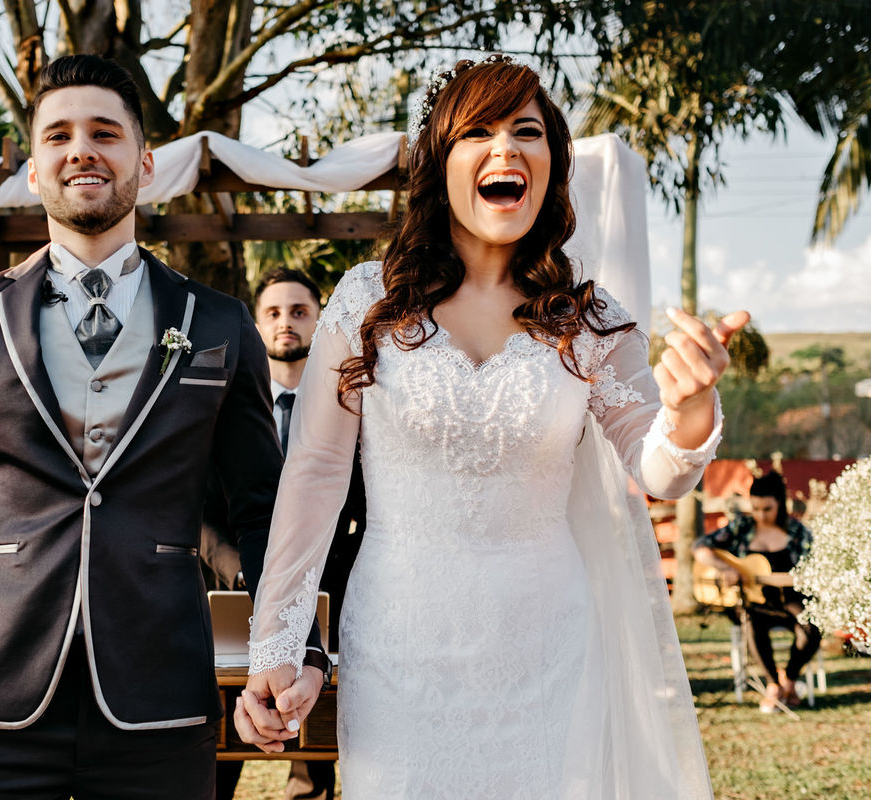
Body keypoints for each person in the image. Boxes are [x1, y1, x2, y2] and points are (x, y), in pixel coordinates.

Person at [234, 55, 749, 798]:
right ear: (441, 163)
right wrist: (276, 645)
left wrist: (691, 409)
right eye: (478, 131)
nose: (506, 149)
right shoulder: (364, 304)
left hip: (551, 651)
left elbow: (660, 471)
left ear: (551, 164)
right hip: (398, 646)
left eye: (527, 132)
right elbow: (313, 474)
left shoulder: (589, 318)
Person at [0, 54, 283, 800]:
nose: (80, 149)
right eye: (57, 136)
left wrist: (284, 651)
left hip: (162, 706)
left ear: (145, 164)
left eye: (104, 133)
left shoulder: (218, 323)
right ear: (33, 171)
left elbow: (264, 511)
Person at [203, 268, 365, 800]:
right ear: (255, 324)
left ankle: (310, 788)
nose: (286, 323)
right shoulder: (222, 409)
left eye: (299, 312)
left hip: (331, 607)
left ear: (320, 324)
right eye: (273, 312)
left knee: (316, 755)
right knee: (217, 762)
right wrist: (242, 568)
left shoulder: (353, 408)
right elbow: (197, 512)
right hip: (232, 601)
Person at [693, 471, 821, 712]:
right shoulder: (742, 526)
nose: (761, 515)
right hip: (751, 601)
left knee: (812, 626)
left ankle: (789, 679)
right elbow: (700, 547)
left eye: (767, 509)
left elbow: (814, 568)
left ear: (781, 504)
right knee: (751, 621)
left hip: (790, 598)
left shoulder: (798, 532)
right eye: (756, 508)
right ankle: (773, 685)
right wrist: (725, 568)